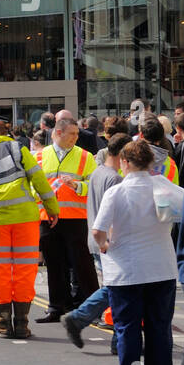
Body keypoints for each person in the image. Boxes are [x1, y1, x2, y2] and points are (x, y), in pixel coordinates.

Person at [93, 139, 181, 365]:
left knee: (128, 331)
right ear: (151, 163)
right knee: (159, 330)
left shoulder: (117, 192)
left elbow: (98, 231)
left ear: (125, 162)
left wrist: (105, 245)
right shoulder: (166, 187)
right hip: (162, 269)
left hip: (127, 272)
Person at [0, 120, 59, 339]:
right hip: (26, 219)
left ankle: (3, 323)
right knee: (25, 269)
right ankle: (21, 324)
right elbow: (38, 178)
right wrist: (52, 208)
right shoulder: (18, 148)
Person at [62, 133, 130, 350]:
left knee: (114, 289)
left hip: (96, 239)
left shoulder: (99, 172)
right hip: (108, 242)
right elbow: (114, 215)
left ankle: (89, 324)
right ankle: (82, 320)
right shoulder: (115, 179)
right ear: (122, 154)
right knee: (118, 290)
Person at [34, 117, 99, 324]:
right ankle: (56, 307)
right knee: (54, 264)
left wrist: (77, 186)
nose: (76, 137)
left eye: (77, 134)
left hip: (76, 218)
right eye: (72, 134)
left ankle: (94, 308)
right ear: (59, 133)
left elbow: (93, 185)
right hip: (48, 217)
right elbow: (33, 186)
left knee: (83, 265)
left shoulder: (85, 157)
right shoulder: (40, 156)